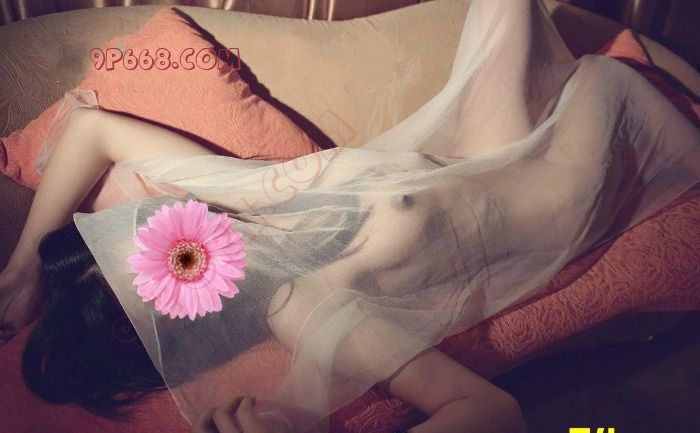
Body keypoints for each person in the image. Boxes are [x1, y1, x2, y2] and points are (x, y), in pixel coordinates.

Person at [0, 0, 697, 432]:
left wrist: (26, 266)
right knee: (601, 73)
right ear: (193, 319)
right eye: (175, 269)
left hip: (474, 151)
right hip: (560, 181)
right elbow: (493, 413)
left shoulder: (231, 203)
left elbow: (93, 130)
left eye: (148, 234)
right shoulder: (305, 304)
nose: (178, 232)